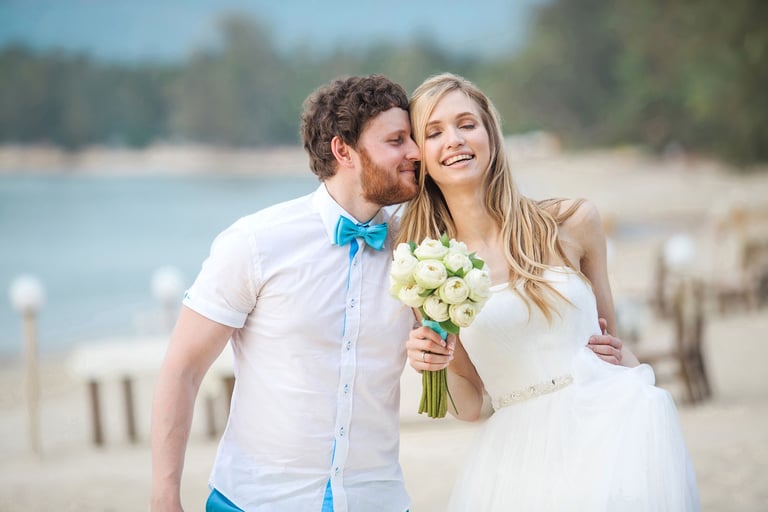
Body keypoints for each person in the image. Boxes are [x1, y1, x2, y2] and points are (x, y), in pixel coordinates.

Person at [150, 74, 626, 512]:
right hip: (257, 500)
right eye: (398, 141)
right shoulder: (256, 242)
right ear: (344, 151)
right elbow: (183, 369)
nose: (415, 153)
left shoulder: (426, 251)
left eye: (413, 139)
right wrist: (165, 496)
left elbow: (469, 388)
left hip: (376, 499)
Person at [398, 73, 700, 511]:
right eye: (434, 132)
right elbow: (469, 406)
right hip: (519, 462)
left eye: (467, 124)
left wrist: (629, 365)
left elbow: (612, 343)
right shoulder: (428, 268)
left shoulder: (573, 222)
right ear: (420, 156)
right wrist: (432, 367)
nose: (455, 140)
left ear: (490, 134)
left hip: (610, 432)